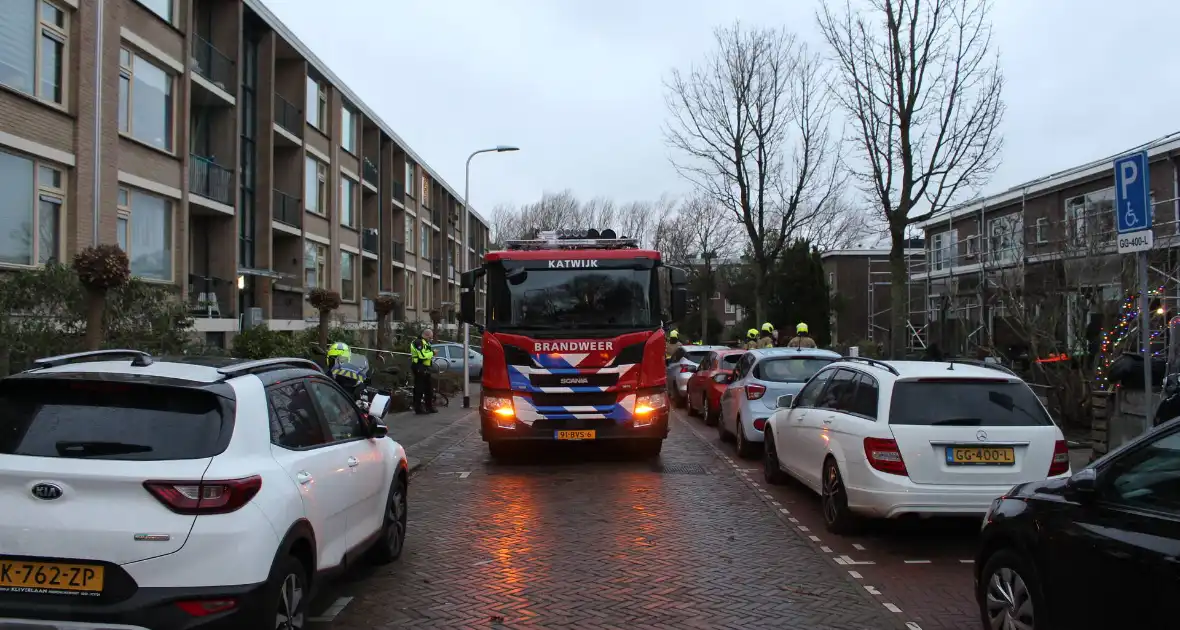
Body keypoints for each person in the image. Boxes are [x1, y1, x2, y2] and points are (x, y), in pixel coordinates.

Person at [410, 328, 438, 414]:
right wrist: (433, 353)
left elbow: (425, 353)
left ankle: (429, 407)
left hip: (425, 367)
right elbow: (422, 355)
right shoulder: (418, 342)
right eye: (430, 337)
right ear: (426, 336)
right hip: (419, 367)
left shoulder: (425, 342)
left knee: (428, 388)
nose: (431, 339)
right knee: (419, 388)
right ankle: (418, 408)